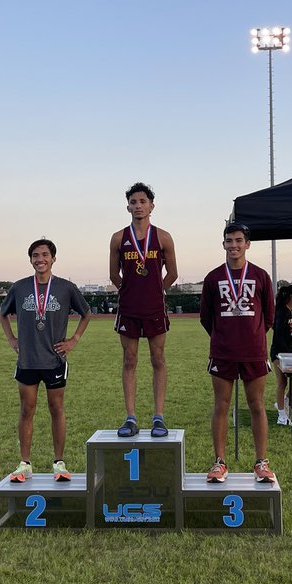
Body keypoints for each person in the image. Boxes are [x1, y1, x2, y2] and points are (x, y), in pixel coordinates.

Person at [0, 238, 92, 483]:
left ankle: (59, 463)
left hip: (54, 360)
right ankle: (24, 463)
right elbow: (2, 313)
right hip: (28, 360)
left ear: (53, 258)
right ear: (30, 259)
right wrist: (12, 340)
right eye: (35, 255)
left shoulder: (65, 288)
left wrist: (74, 340)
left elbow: (86, 313)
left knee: (56, 408)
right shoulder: (19, 287)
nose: (40, 259)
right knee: (27, 409)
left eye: (44, 255)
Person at [199, 222, 275, 484]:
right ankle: (219, 462)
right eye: (229, 240)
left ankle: (261, 462)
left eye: (239, 240)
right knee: (221, 405)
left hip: (254, 351)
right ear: (223, 244)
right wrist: (224, 336)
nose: (234, 245)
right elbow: (206, 318)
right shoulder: (212, 278)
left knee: (257, 405)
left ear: (247, 244)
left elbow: (269, 316)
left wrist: (251, 336)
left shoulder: (261, 276)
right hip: (223, 351)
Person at [109, 182, 178, 438]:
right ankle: (130, 417)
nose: (138, 206)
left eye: (142, 202)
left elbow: (172, 273)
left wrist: (155, 290)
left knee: (158, 359)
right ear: (127, 206)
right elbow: (113, 275)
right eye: (133, 202)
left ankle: (158, 417)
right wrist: (128, 291)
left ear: (152, 206)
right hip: (128, 308)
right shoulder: (118, 238)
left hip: (154, 308)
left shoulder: (163, 237)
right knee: (129, 360)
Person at [270, 284, 292, 425]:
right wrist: (285, 355)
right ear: (291, 297)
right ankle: (281, 416)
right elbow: (278, 335)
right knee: (282, 382)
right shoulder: (281, 312)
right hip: (279, 353)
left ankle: (283, 401)